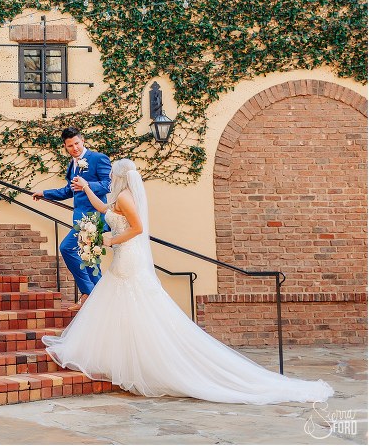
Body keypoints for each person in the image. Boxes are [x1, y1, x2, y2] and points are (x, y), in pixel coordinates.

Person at [42, 158, 334, 404]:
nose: (110, 179)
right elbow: (104, 210)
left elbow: (138, 228)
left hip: (127, 257)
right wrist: (85, 191)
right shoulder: (119, 199)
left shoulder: (124, 197)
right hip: (122, 257)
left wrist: (110, 239)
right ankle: (122, 360)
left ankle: (145, 363)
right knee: (120, 306)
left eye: (112, 176)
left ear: (119, 178)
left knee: (133, 306)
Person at [32, 127, 112, 311]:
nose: (74, 148)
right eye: (70, 146)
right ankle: (99, 301)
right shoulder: (72, 164)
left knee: (67, 248)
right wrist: (45, 193)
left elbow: (108, 185)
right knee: (91, 261)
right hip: (80, 218)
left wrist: (87, 185)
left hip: (94, 217)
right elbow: (69, 190)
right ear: (66, 147)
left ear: (82, 140)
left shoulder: (98, 158)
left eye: (77, 143)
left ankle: (89, 292)